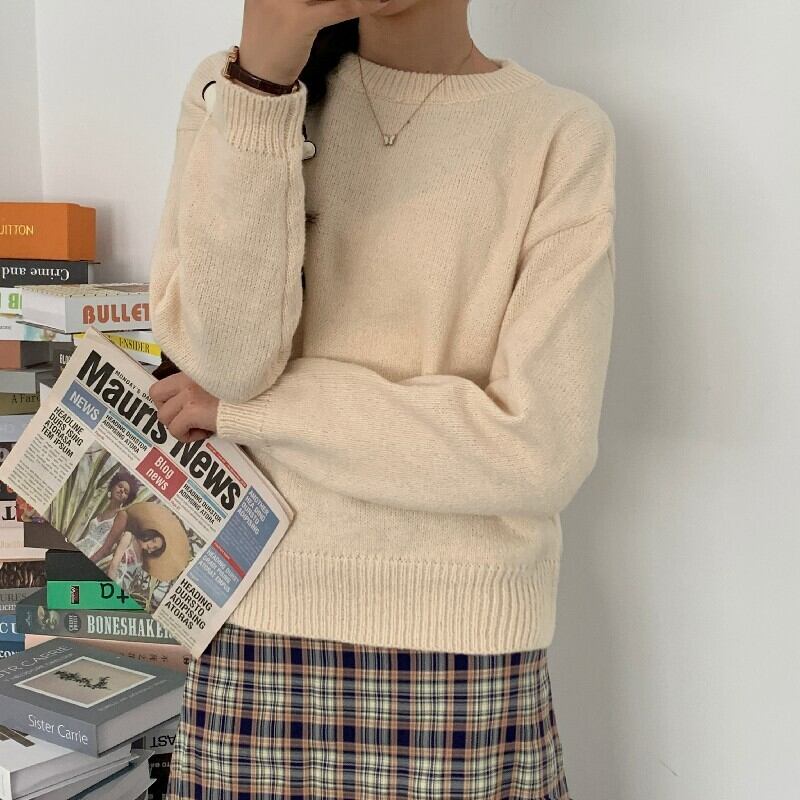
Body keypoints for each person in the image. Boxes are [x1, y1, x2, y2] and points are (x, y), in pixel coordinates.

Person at [148, 1, 617, 797]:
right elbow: (227, 364)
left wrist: (257, 416)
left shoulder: (559, 134)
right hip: (253, 628)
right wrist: (263, 88)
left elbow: (537, 451)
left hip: (464, 655)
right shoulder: (233, 89)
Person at [75, 469, 140, 563]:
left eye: (126, 492)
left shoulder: (121, 515)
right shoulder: (101, 512)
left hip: (93, 556)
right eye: (120, 486)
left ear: (126, 499)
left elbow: (106, 548)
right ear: (112, 488)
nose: (122, 490)